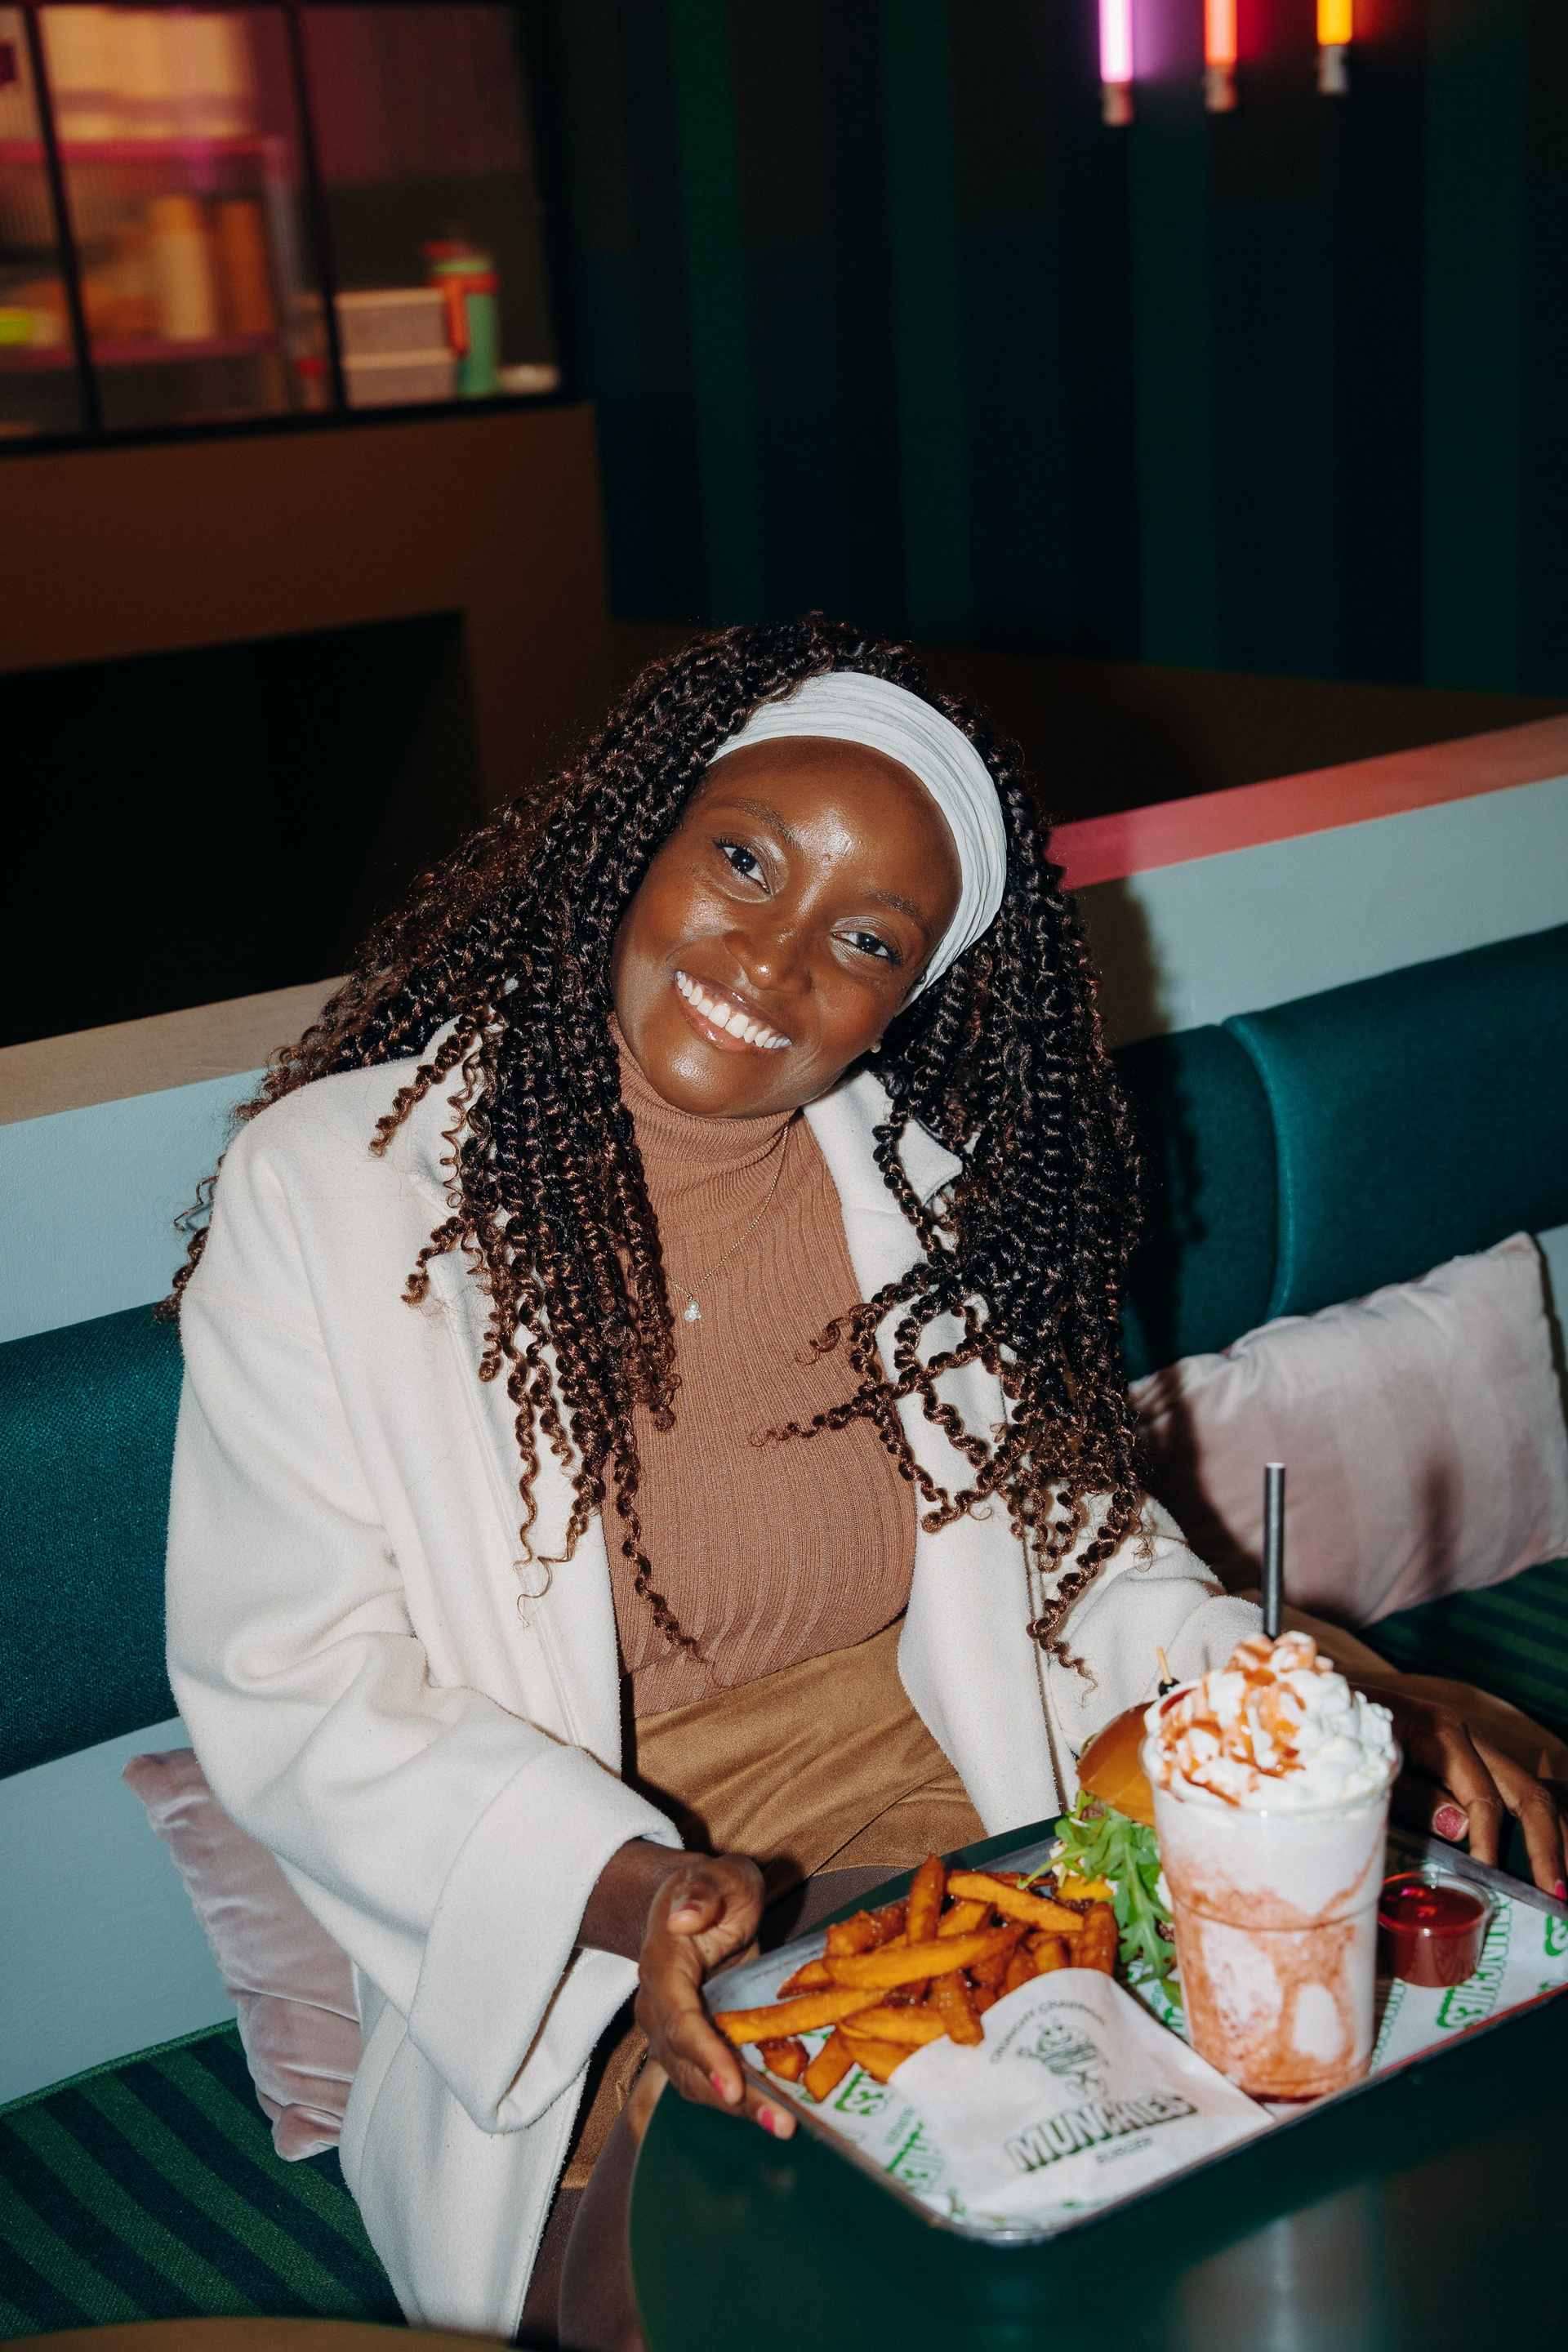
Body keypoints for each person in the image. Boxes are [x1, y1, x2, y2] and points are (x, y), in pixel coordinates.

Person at [163, 620, 1568, 2349]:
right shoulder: (337, 1189)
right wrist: (630, 1887)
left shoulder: (921, 1196)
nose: (771, 959)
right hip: (579, 1928)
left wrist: (1316, 1703)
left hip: (965, 1846)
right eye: (744, 861)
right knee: (771, 2267)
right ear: (640, 836)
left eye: (866, 939)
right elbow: (295, 1685)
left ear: (910, 995)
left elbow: (1090, 1565)